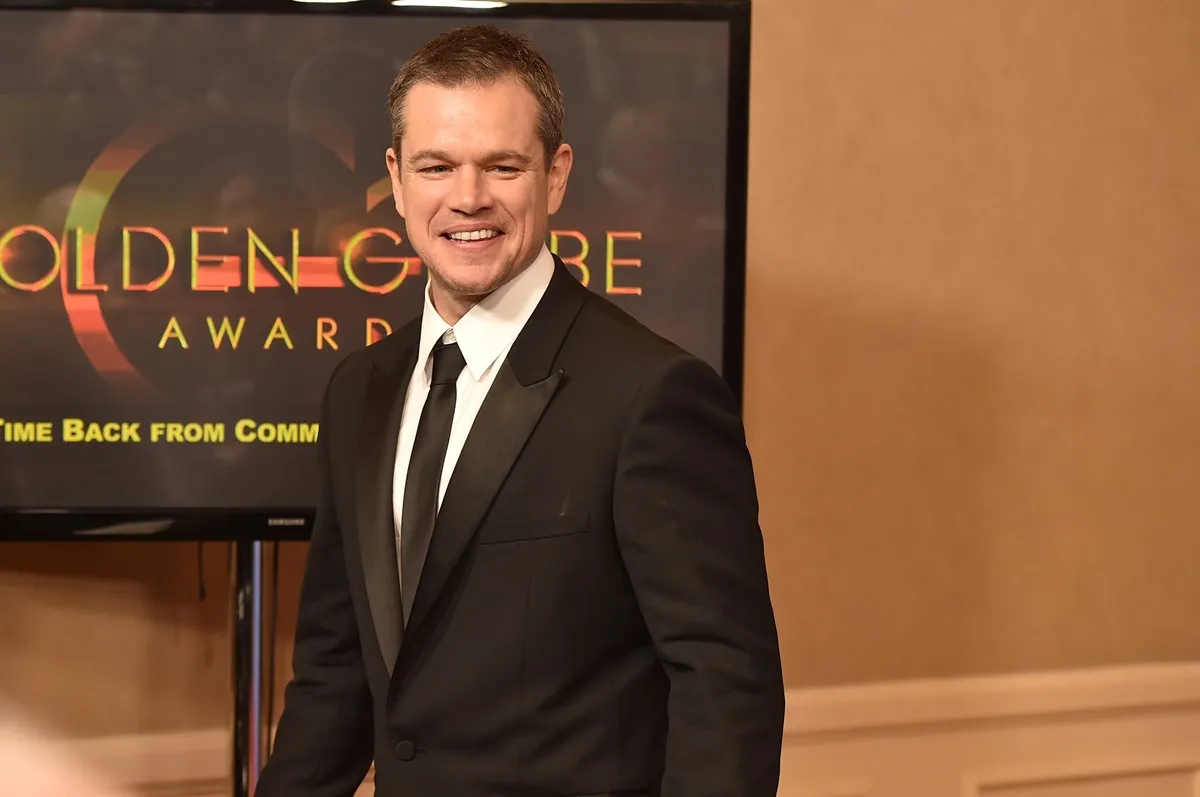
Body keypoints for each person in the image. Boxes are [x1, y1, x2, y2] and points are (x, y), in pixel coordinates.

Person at [257, 24, 785, 797]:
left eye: (502, 166)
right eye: (438, 166)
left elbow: (726, 685)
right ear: (397, 180)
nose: (468, 198)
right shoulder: (358, 388)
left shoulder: (652, 395)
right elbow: (335, 674)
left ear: (556, 175)